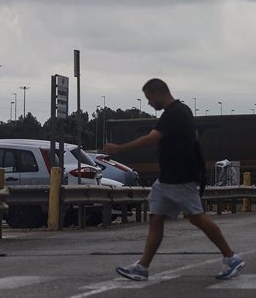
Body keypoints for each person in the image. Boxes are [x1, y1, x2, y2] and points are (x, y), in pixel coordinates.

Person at [104, 78, 244, 281]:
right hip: (167, 178)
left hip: (180, 177)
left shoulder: (173, 113)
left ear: (158, 93)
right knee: (156, 217)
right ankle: (142, 267)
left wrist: (119, 148)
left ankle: (231, 257)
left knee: (196, 217)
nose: (150, 103)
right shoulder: (181, 111)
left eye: (149, 98)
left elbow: (150, 138)